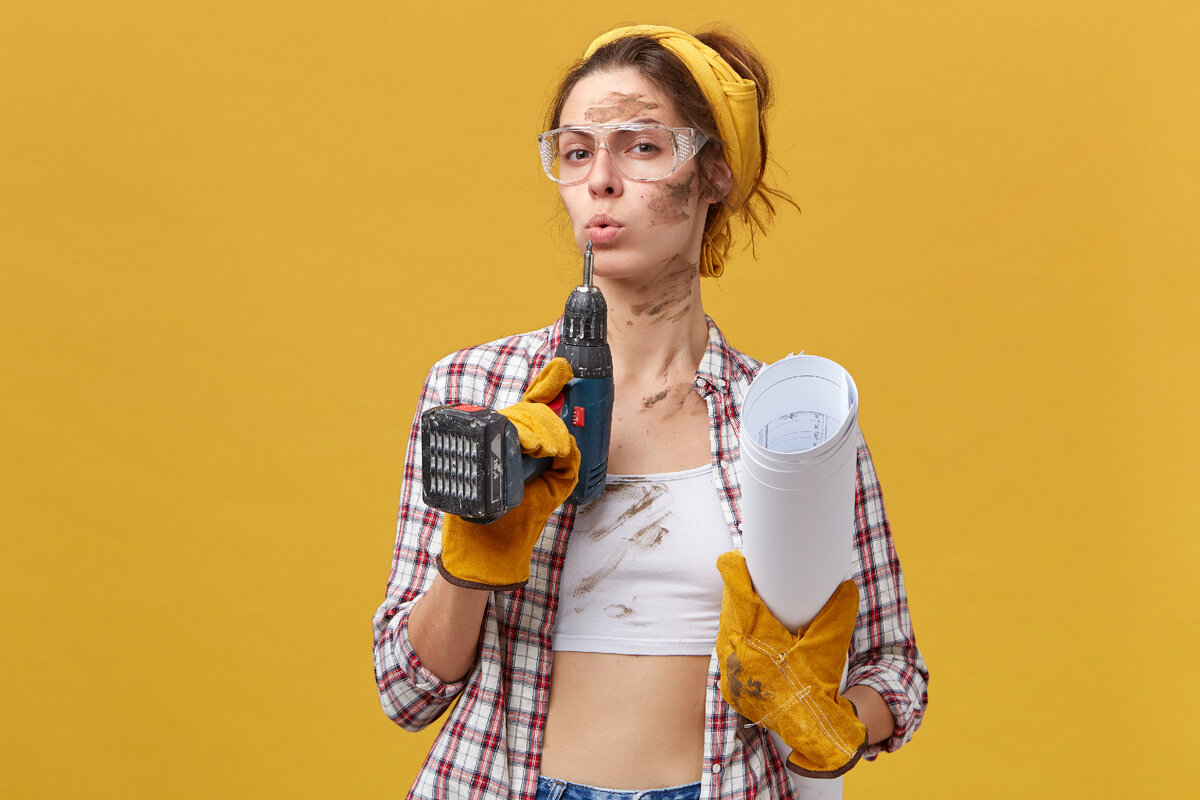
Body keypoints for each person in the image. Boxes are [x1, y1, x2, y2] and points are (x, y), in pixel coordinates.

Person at [373, 24, 928, 800]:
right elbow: (407, 691)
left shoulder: (789, 424)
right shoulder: (476, 390)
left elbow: (894, 670)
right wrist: (473, 556)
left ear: (715, 175)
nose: (600, 179)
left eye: (640, 146)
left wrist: (829, 719)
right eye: (576, 152)